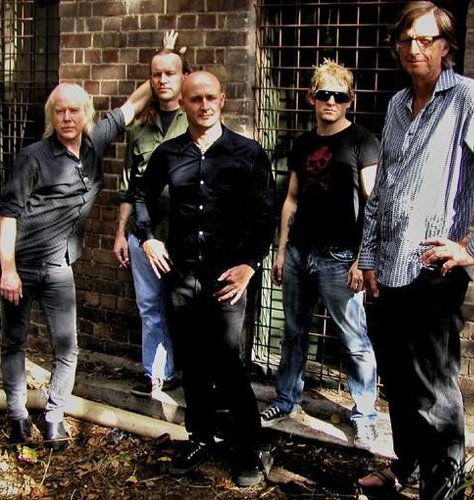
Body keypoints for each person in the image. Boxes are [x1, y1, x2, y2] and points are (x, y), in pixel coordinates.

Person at [357, 2, 474, 499]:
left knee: (434, 394)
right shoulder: (398, 105)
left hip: (432, 273)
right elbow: (384, 189)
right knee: (398, 383)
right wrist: (368, 257)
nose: (414, 48)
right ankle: (410, 468)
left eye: (425, 39)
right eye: (406, 40)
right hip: (387, 271)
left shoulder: (470, 99)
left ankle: (443, 491)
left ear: (446, 46)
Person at [134, 70, 278, 487]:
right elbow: (141, 194)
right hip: (181, 274)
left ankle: (251, 446)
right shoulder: (169, 153)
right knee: (193, 361)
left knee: (227, 361)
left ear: (223, 99)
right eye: (195, 99)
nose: (204, 105)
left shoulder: (247, 153)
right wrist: (147, 238)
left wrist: (250, 264)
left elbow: (266, 214)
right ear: (183, 104)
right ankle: (200, 438)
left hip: (227, 277)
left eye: (210, 97)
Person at [0, 77, 152, 450]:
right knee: (14, 342)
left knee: (67, 348)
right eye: (60, 111)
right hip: (21, 264)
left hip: (59, 266)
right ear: (52, 116)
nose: (67, 117)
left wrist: (162, 71)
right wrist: (7, 270)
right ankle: (17, 416)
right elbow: (8, 215)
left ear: (86, 114)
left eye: (74, 110)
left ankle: (54, 417)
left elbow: (131, 107)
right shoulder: (33, 157)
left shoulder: (94, 142)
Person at [258, 59, 380, 449]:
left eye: (339, 96)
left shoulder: (362, 141)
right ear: (312, 97)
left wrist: (363, 259)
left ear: (349, 101)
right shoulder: (303, 143)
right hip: (299, 253)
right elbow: (291, 199)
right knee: (293, 332)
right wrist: (281, 252)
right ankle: (285, 400)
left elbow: (373, 205)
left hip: (340, 257)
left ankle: (365, 416)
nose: (331, 101)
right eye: (324, 94)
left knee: (354, 340)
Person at [114, 34, 189, 397]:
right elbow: (128, 187)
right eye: (156, 74)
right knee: (149, 305)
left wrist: (175, 51)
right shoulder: (140, 128)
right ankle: (157, 373)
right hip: (143, 233)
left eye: (170, 73)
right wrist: (120, 233)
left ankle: (188, 371)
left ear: (183, 77)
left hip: (183, 233)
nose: (162, 80)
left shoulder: (194, 120)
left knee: (183, 305)